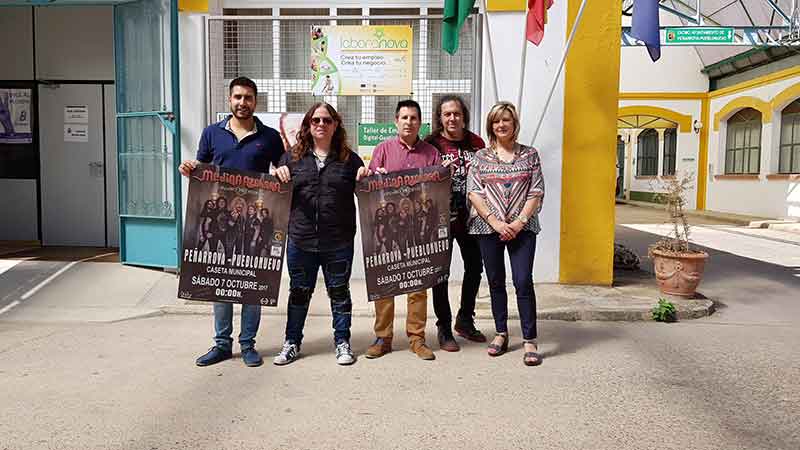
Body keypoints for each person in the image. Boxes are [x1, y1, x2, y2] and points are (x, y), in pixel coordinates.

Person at [179, 76, 284, 368]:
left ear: (255, 101)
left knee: (252, 285)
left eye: (248, 98)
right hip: (223, 224)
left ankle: (248, 344)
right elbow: (202, 167)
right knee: (221, 285)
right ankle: (222, 344)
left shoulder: (270, 137)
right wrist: (190, 167)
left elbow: (283, 165)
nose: (242, 103)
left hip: (253, 225)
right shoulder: (212, 134)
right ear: (229, 99)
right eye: (237, 97)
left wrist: (284, 170)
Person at [270, 102, 366, 366]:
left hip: (338, 241)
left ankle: (342, 342)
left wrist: (368, 176)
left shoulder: (350, 159)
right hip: (301, 240)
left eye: (327, 120)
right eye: (316, 121)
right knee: (299, 293)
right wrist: (277, 174)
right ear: (308, 126)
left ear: (336, 125)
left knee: (339, 292)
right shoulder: (291, 158)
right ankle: (292, 342)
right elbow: (275, 192)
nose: (321, 125)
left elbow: (368, 189)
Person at [362, 99, 442, 361]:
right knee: (385, 282)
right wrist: (375, 175)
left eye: (414, 118)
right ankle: (383, 338)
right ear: (396, 121)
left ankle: (417, 338)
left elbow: (438, 190)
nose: (409, 122)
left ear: (420, 123)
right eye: (404, 118)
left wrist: (442, 176)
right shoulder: (383, 150)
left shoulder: (430, 153)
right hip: (389, 230)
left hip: (417, 232)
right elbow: (370, 188)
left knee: (417, 286)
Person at [467, 101, 545, 367]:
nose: (501, 125)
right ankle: (501, 332)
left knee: (523, 281)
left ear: (514, 125)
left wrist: (520, 222)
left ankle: (530, 339)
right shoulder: (481, 157)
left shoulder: (530, 155)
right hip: (488, 229)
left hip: (523, 228)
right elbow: (474, 192)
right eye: (496, 121)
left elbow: (536, 191)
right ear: (491, 126)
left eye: (506, 120)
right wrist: (496, 222)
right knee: (495, 281)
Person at [424, 95, 487, 352]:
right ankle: (444, 326)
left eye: (457, 114)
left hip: (472, 218)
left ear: (464, 116)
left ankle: (465, 319)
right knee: (441, 273)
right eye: (447, 114)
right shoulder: (430, 144)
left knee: (475, 268)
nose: (452, 118)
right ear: (440, 117)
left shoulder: (477, 143)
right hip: (440, 218)